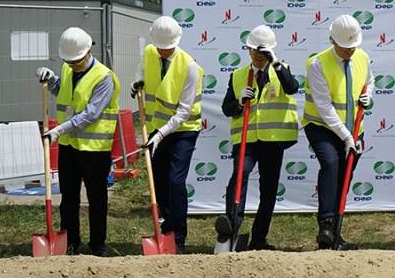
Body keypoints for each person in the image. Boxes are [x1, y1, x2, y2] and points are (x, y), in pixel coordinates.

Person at [215, 25, 300, 250]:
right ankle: (231, 226)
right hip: (247, 141)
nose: (258, 56)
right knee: (239, 176)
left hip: (273, 139)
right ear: (248, 50)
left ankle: (259, 238)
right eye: (254, 51)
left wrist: (276, 63)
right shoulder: (239, 75)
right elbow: (227, 109)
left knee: (268, 189)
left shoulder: (281, 70)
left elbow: (292, 88)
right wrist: (239, 103)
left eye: (263, 52)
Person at [37, 27, 119, 256]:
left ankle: (97, 246)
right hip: (69, 145)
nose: (73, 65)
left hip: (95, 149)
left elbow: (91, 114)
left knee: (97, 198)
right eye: (69, 62)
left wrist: (58, 129)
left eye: (77, 61)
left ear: (89, 51)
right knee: (68, 197)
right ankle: (70, 242)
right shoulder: (67, 67)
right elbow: (64, 93)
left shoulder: (103, 77)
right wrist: (50, 78)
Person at [130, 16, 204, 254]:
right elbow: (142, 67)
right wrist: (137, 81)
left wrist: (160, 134)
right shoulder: (151, 52)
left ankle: (179, 234)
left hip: (183, 132)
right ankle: (165, 227)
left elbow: (183, 112)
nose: (162, 51)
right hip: (155, 128)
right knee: (159, 181)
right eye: (160, 46)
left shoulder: (190, 67)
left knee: (175, 181)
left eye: (167, 47)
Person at [303, 14, 373, 250]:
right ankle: (325, 224)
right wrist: (346, 137)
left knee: (345, 175)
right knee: (331, 163)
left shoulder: (362, 57)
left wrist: (368, 95)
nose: (349, 52)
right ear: (333, 41)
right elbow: (324, 107)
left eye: (353, 47)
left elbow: (369, 80)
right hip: (322, 126)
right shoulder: (318, 64)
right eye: (345, 48)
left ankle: (335, 235)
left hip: (354, 128)